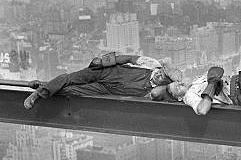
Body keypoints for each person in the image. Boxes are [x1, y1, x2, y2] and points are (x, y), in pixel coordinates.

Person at [23, 52, 182, 109]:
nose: (160, 75)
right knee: (70, 78)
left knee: (72, 90)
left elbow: (162, 96)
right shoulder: (150, 63)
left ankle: (45, 86)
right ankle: (37, 94)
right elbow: (126, 58)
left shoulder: (156, 91)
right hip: (106, 72)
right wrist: (103, 61)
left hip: (107, 90)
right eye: (162, 71)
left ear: (166, 82)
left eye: (164, 77)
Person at [161, 66, 241, 114]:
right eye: (177, 88)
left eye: (177, 83)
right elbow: (202, 110)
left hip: (239, 79)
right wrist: (211, 85)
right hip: (238, 96)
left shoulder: (195, 81)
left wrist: (215, 77)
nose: (179, 84)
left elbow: (217, 70)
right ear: (178, 97)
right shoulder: (189, 96)